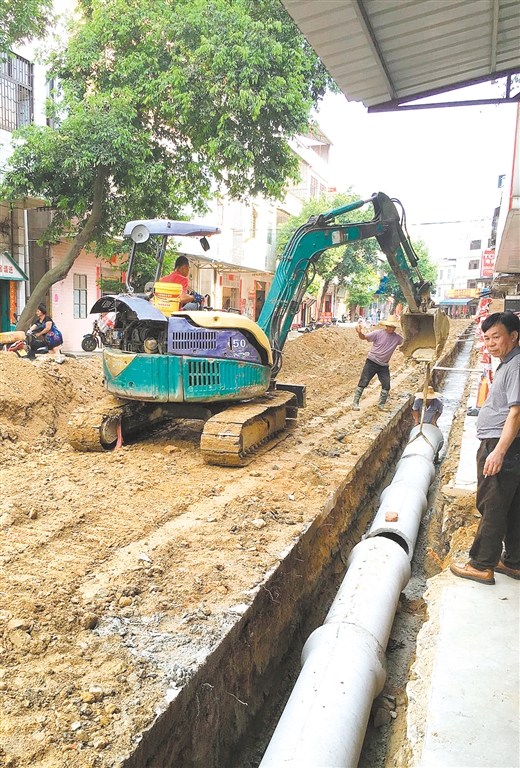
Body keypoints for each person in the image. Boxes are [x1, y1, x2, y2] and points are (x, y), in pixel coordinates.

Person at [450, 311, 520, 585]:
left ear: (513, 337)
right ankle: (514, 560)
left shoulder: (515, 366)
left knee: (492, 504)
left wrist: (499, 451)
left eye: (496, 337)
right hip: (508, 444)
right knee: (512, 506)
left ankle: (481, 565)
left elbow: (516, 413)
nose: (490, 343)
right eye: (486, 338)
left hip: (502, 444)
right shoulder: (508, 362)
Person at [352, 315, 403, 411]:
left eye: (393, 327)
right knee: (364, 381)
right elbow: (364, 337)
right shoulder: (378, 333)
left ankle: (381, 405)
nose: (391, 329)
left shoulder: (397, 338)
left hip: (383, 365)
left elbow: (407, 342)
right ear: (386, 326)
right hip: (372, 362)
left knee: (386, 385)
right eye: (390, 326)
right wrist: (359, 332)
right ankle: (355, 402)